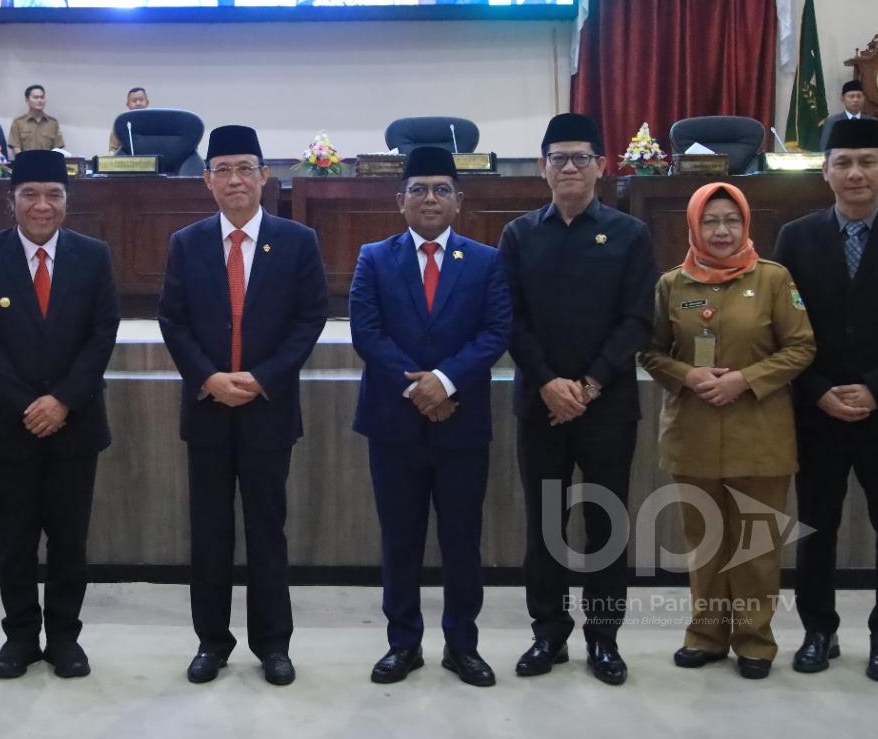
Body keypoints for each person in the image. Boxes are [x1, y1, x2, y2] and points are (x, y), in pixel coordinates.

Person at [773, 119, 878, 684]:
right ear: (825, 172)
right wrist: (818, 389)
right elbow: (782, 329)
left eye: (868, 161)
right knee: (815, 527)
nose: (856, 173)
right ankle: (818, 630)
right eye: (843, 163)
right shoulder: (795, 238)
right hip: (817, 412)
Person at [158, 125, 328, 687]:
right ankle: (211, 642)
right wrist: (209, 377)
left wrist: (262, 377)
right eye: (224, 170)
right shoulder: (186, 243)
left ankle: (273, 645)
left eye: (245, 169)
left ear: (264, 177)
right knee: (209, 533)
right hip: (207, 408)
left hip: (267, 409)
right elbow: (173, 320)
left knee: (266, 530)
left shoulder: (297, 241)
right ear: (207, 181)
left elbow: (310, 318)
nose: (235, 180)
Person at [500, 113, 655, 686]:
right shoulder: (519, 235)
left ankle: (604, 638)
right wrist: (547, 382)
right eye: (558, 158)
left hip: (606, 406)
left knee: (604, 523)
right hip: (540, 404)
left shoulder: (630, 233)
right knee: (545, 524)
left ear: (601, 166)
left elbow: (636, 319)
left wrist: (588, 386)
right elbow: (509, 317)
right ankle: (548, 633)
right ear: (543, 167)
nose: (569, 167)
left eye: (581, 157)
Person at [349, 147, 512, 688]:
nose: (430, 199)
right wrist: (420, 388)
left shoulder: (486, 260)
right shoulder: (374, 257)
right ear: (400, 200)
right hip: (393, 424)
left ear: (458, 201)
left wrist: (444, 381)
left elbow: (495, 332)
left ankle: (462, 646)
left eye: (441, 189)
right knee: (400, 539)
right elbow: (367, 332)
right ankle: (403, 644)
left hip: (461, 423)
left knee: (462, 539)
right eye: (418, 189)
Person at [640, 184, 816, 680]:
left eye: (731, 221)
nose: (722, 231)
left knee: (756, 545)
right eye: (711, 221)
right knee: (704, 541)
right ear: (694, 226)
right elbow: (650, 350)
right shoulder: (671, 284)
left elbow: (801, 347)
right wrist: (686, 375)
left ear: (746, 225)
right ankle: (706, 636)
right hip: (692, 431)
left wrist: (746, 379)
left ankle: (755, 641)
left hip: (759, 432)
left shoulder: (774, 279)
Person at [0, 151, 121, 680]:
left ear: (67, 201)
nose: (42, 205)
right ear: (12, 201)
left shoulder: (92, 256)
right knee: (15, 539)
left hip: (76, 421)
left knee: (70, 539)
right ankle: (21, 637)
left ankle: (65, 637)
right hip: (9, 423)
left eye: (53, 194)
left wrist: (63, 400)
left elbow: (103, 333)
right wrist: (28, 405)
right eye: (30, 194)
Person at [819, 80, 875, 152]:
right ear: (843, 99)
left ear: (864, 98)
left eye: (859, 96)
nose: (855, 100)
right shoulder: (832, 122)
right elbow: (825, 149)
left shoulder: (872, 122)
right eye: (851, 97)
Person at [9, 84, 65, 156]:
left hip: (48, 162)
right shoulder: (18, 123)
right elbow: (16, 148)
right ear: (27, 100)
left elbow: (57, 149)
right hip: (26, 162)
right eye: (35, 97)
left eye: (42, 97)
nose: (39, 100)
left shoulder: (53, 123)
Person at [109, 86, 151, 153]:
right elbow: (113, 150)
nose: (138, 103)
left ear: (147, 102)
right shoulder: (120, 124)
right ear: (128, 104)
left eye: (141, 100)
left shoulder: (155, 122)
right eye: (134, 101)